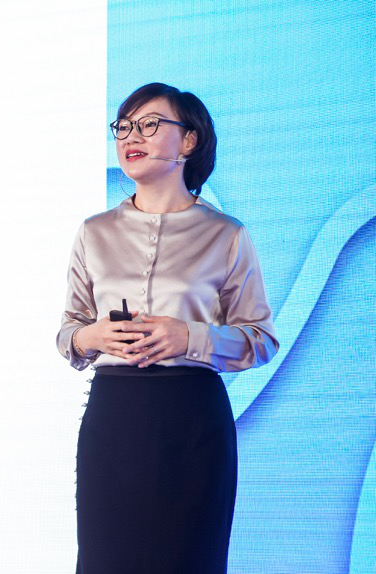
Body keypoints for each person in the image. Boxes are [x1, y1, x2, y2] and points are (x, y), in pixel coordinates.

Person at [57, 83, 279, 573]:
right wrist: (92, 336)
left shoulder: (226, 233)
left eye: (150, 124)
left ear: (189, 141)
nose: (131, 137)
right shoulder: (94, 231)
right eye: (123, 127)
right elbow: (69, 332)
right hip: (114, 418)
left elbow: (261, 340)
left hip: (192, 418)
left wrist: (190, 337)